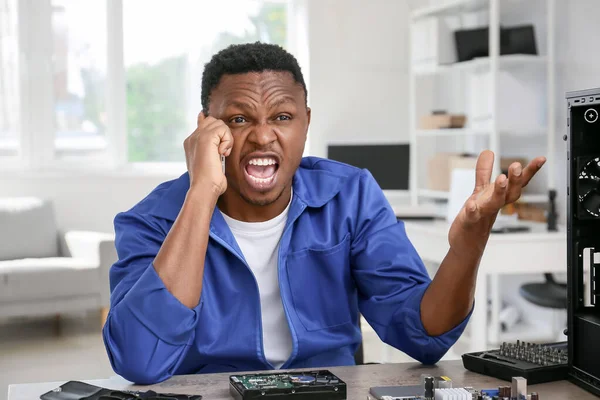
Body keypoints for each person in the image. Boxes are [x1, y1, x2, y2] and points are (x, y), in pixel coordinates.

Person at [102, 42, 546, 385]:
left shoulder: (350, 195)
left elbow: (424, 336)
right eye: (238, 120)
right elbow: (142, 360)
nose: (262, 137)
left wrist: (468, 245)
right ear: (205, 127)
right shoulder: (150, 221)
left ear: (306, 122)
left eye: (282, 116)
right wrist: (201, 192)